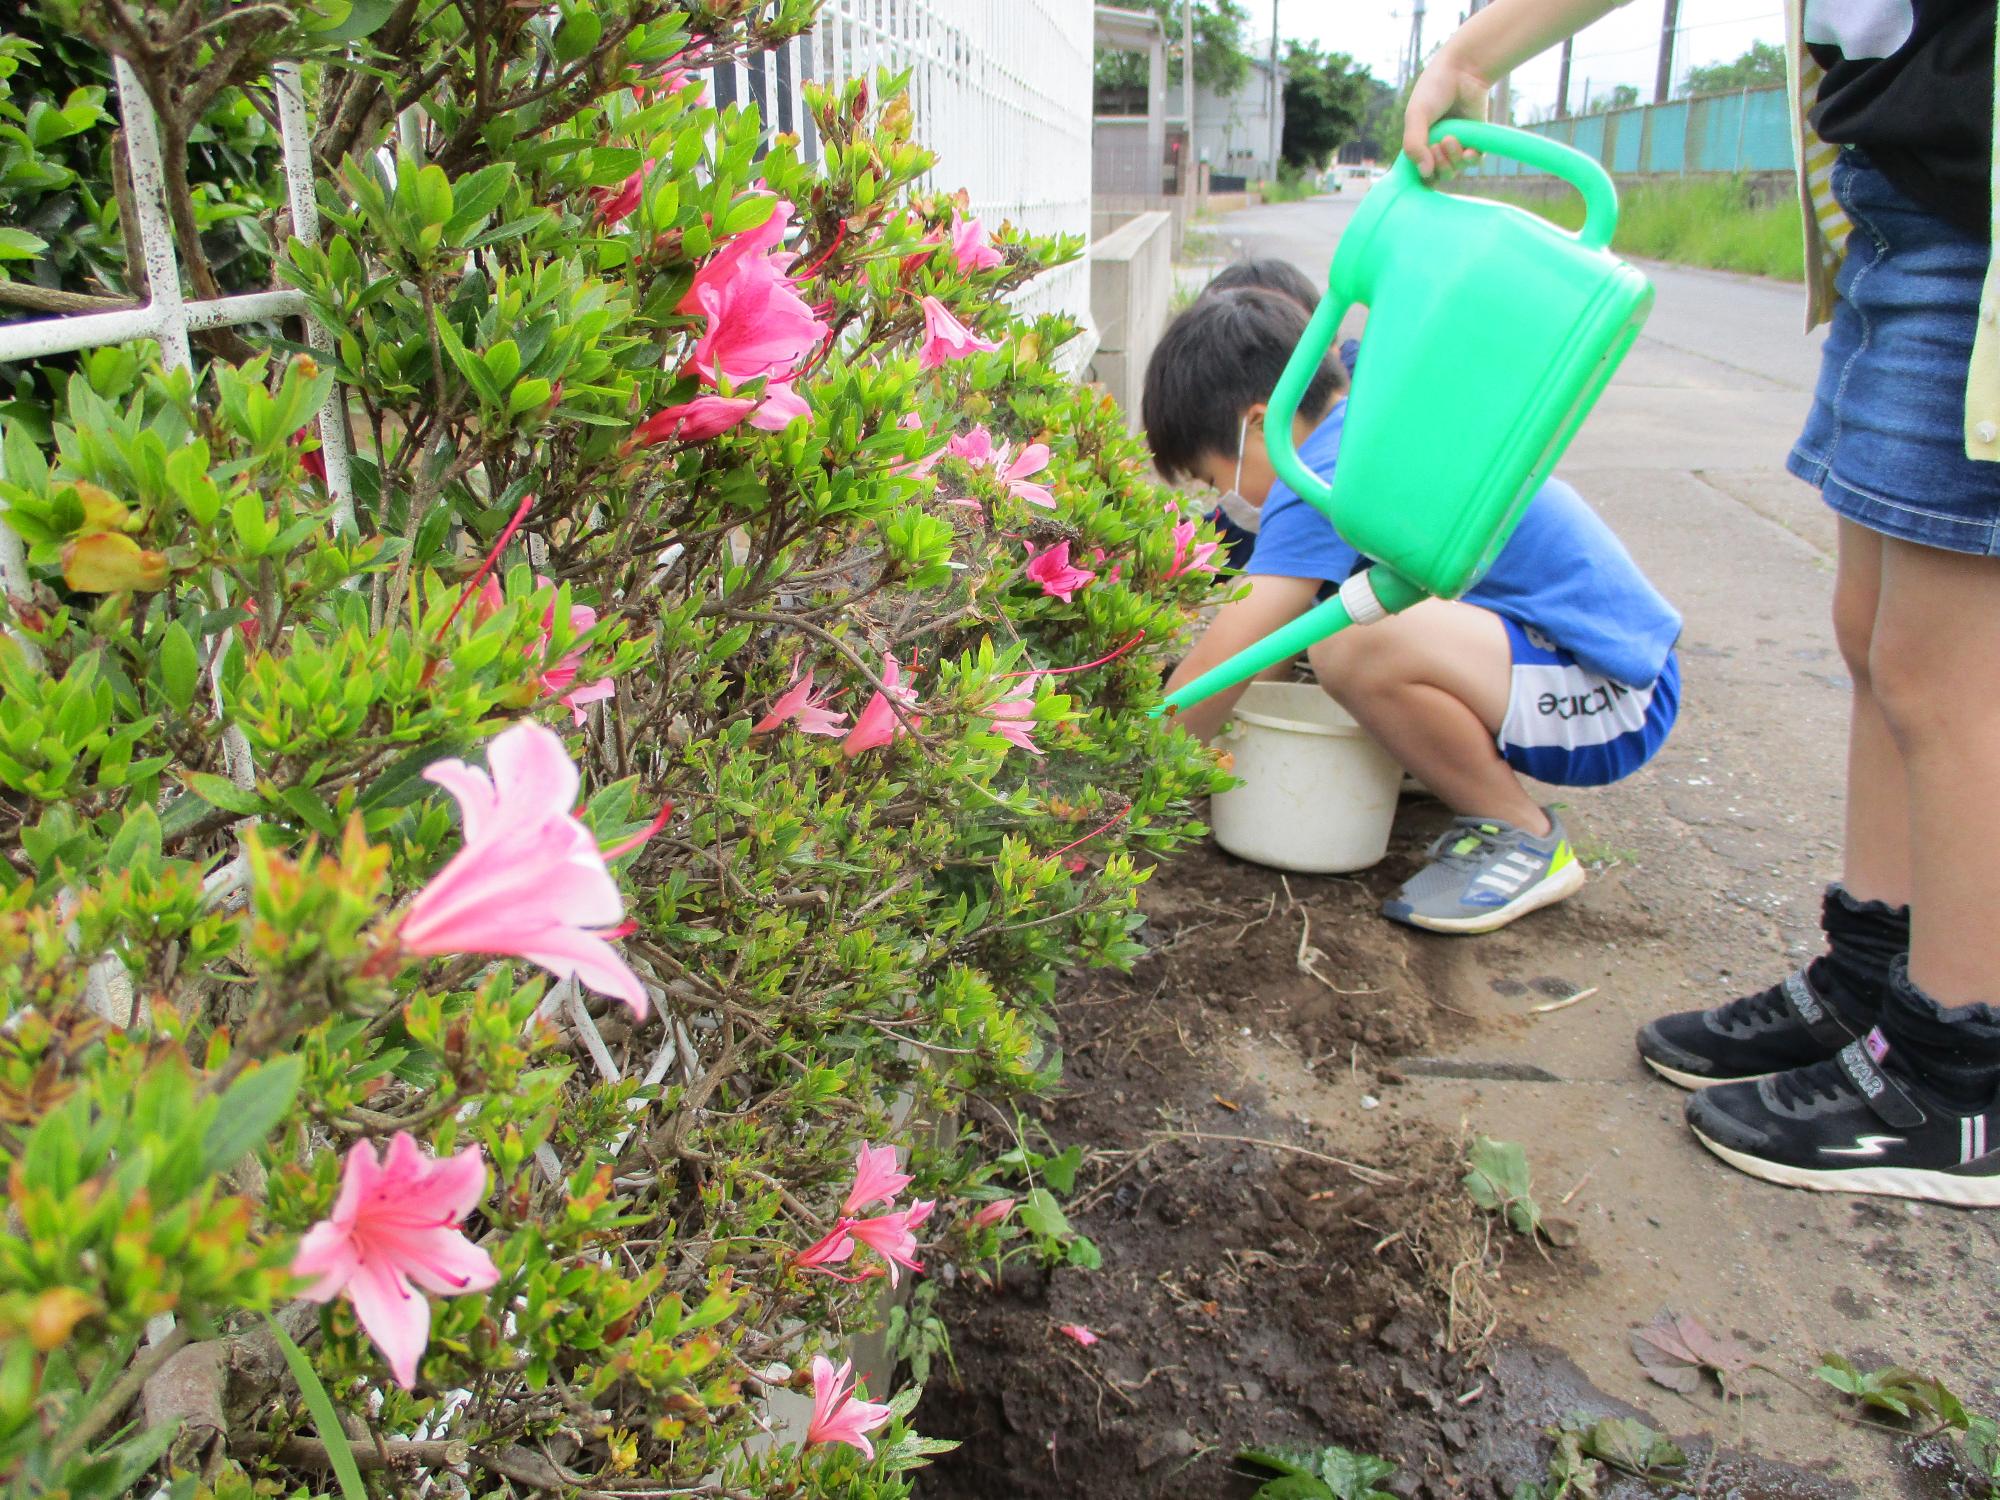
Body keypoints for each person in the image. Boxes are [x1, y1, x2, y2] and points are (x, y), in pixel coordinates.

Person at [1406, 0, 2000, 1203]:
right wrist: (1470, 52)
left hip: (1971, 204)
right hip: (1890, 198)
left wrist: (1474, 51)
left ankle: (1955, 1073)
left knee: (1947, 676)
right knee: (1871, 636)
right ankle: (1872, 973)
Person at [1144, 286, 1683, 934]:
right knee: (1341, 634)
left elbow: (1236, 655)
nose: (1221, 501)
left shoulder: (1325, 478)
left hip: (1609, 695)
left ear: (1259, 424)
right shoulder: (1365, 425)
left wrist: (1132, 779)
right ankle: (1441, 764)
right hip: (1568, 661)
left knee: (1351, 645)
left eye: (1211, 478)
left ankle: (1523, 836)